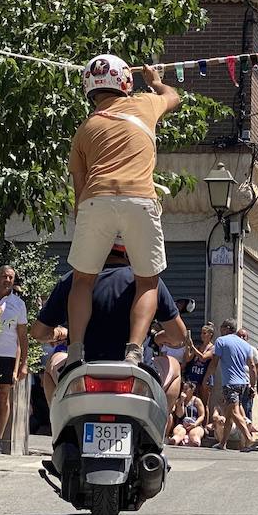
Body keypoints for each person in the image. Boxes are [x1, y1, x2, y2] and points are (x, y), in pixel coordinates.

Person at [64, 55, 180, 369]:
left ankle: (75, 351)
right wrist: (155, 81)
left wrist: (88, 220)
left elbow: (79, 191)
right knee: (147, 282)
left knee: (82, 281)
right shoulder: (144, 104)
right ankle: (134, 350)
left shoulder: (85, 128)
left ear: (89, 87)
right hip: (140, 199)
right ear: (125, 82)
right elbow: (173, 97)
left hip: (95, 198)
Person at [30, 246, 189, 407]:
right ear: (128, 250)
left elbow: (38, 332)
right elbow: (179, 337)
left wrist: (58, 333)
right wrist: (161, 337)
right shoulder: (148, 283)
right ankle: (158, 427)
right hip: (136, 373)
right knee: (174, 366)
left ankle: (61, 424)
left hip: (82, 371)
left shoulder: (73, 280)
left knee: (52, 362)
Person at [0, 265, 28, 454]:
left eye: (11, 277)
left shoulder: (18, 304)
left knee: (3, 396)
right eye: (4, 276)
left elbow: (23, 337)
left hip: (8, 355)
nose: (7, 280)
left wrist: (23, 364)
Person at [203, 320, 258, 451]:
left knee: (234, 412)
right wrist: (253, 385)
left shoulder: (221, 341)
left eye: (221, 327)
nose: (220, 330)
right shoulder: (245, 345)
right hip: (243, 384)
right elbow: (252, 366)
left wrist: (206, 377)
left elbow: (214, 362)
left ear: (227, 328)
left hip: (230, 383)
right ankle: (223, 443)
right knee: (229, 413)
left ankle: (249, 438)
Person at [169, 382, 206, 446]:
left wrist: (195, 424)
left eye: (186, 389)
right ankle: (175, 440)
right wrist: (181, 402)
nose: (184, 391)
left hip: (195, 424)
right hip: (182, 425)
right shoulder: (179, 401)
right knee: (180, 432)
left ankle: (194, 441)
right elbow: (179, 415)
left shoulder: (197, 400)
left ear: (192, 390)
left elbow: (202, 415)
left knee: (194, 434)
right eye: (183, 389)